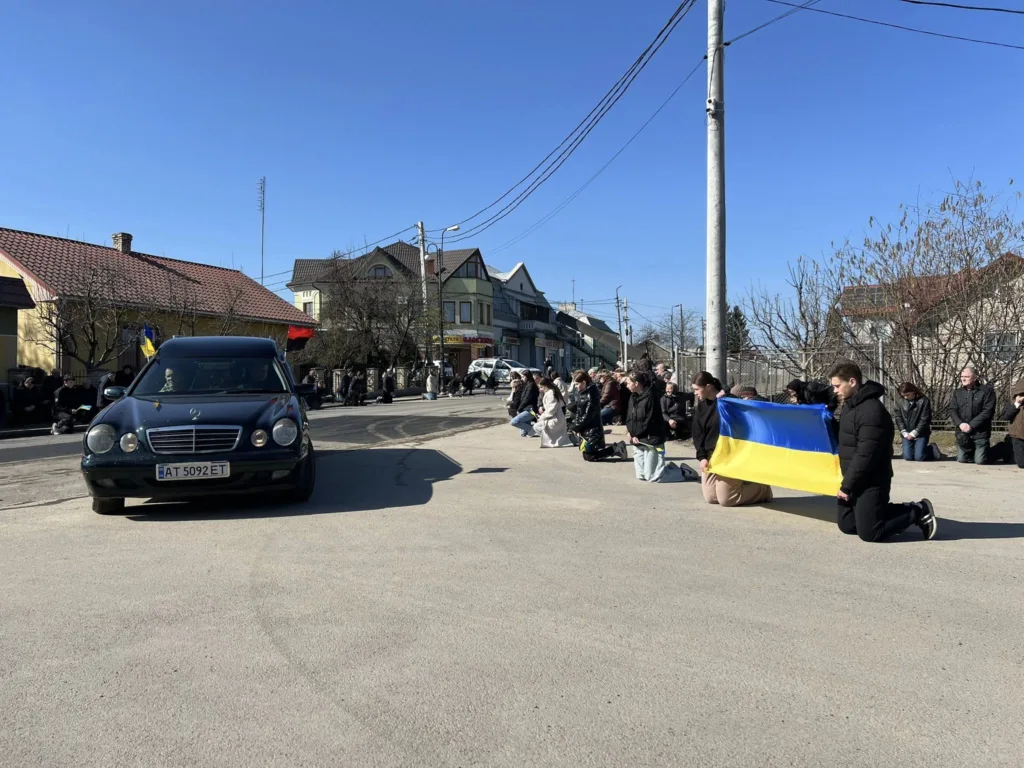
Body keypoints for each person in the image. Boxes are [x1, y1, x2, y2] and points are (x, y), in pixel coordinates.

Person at [829, 362, 937, 542]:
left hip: (872, 479)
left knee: (871, 533)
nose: (835, 390)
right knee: (847, 524)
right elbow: (846, 437)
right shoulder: (850, 406)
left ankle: (917, 511)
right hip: (854, 477)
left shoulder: (871, 411)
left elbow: (866, 454)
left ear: (853, 382)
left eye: (837, 386)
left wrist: (847, 486)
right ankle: (877, 515)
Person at [691, 371, 773, 507]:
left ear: (708, 387)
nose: (695, 393)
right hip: (711, 456)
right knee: (711, 497)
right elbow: (697, 434)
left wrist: (726, 396)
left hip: (728, 454)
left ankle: (762, 489)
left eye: (697, 389)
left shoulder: (729, 402)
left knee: (727, 500)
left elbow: (748, 420)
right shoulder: (701, 407)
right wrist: (702, 457)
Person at [624, 371, 694, 482]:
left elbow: (649, 419)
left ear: (636, 383)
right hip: (637, 439)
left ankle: (684, 472)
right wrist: (630, 433)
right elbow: (629, 417)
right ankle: (670, 469)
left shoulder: (651, 396)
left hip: (652, 439)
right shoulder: (633, 397)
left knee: (654, 476)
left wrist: (636, 434)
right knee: (641, 475)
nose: (626, 386)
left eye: (628, 383)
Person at [569, 371, 627, 461]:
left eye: (577, 384)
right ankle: (616, 449)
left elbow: (588, 415)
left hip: (592, 429)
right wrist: (577, 426)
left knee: (590, 456)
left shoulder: (592, 394)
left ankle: (616, 449)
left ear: (584, 382)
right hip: (585, 428)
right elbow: (579, 411)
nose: (575, 387)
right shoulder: (581, 393)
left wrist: (575, 427)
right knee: (587, 455)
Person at [949, 367, 996, 465]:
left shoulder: (986, 391)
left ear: (975, 378)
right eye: (962, 376)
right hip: (963, 433)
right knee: (961, 459)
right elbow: (953, 410)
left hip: (980, 432)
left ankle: (999, 449)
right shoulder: (958, 392)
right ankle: (972, 453)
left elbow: (987, 411)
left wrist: (971, 425)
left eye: (966, 376)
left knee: (980, 461)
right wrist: (960, 424)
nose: (963, 379)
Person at [893, 382, 933, 462]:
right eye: (903, 395)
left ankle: (931, 449)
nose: (905, 397)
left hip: (921, 433)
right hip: (907, 433)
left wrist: (914, 433)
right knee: (908, 457)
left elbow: (925, 419)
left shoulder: (924, 401)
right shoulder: (900, 401)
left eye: (907, 395)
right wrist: (904, 432)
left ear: (913, 391)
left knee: (919, 457)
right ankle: (913, 450)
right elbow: (898, 417)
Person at [533, 377, 573, 448]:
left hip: (555, 418)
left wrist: (542, 417)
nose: (540, 389)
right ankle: (551, 440)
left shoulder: (550, 393)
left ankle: (550, 441)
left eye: (541, 387)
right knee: (538, 427)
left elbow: (551, 409)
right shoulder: (550, 392)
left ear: (546, 386)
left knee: (537, 427)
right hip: (555, 417)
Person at [1000, 376, 1024, 469]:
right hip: (1018, 436)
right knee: (1022, 463)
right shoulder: (1013, 400)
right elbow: (1006, 416)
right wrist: (1016, 404)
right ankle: (1005, 449)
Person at [510, 371, 539, 437]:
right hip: (526, 408)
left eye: (523, 376)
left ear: (527, 376)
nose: (522, 378)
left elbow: (526, 399)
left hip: (530, 409)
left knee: (513, 422)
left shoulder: (531, 385)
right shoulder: (527, 385)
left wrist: (519, 409)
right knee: (523, 434)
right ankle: (532, 430)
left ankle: (532, 429)